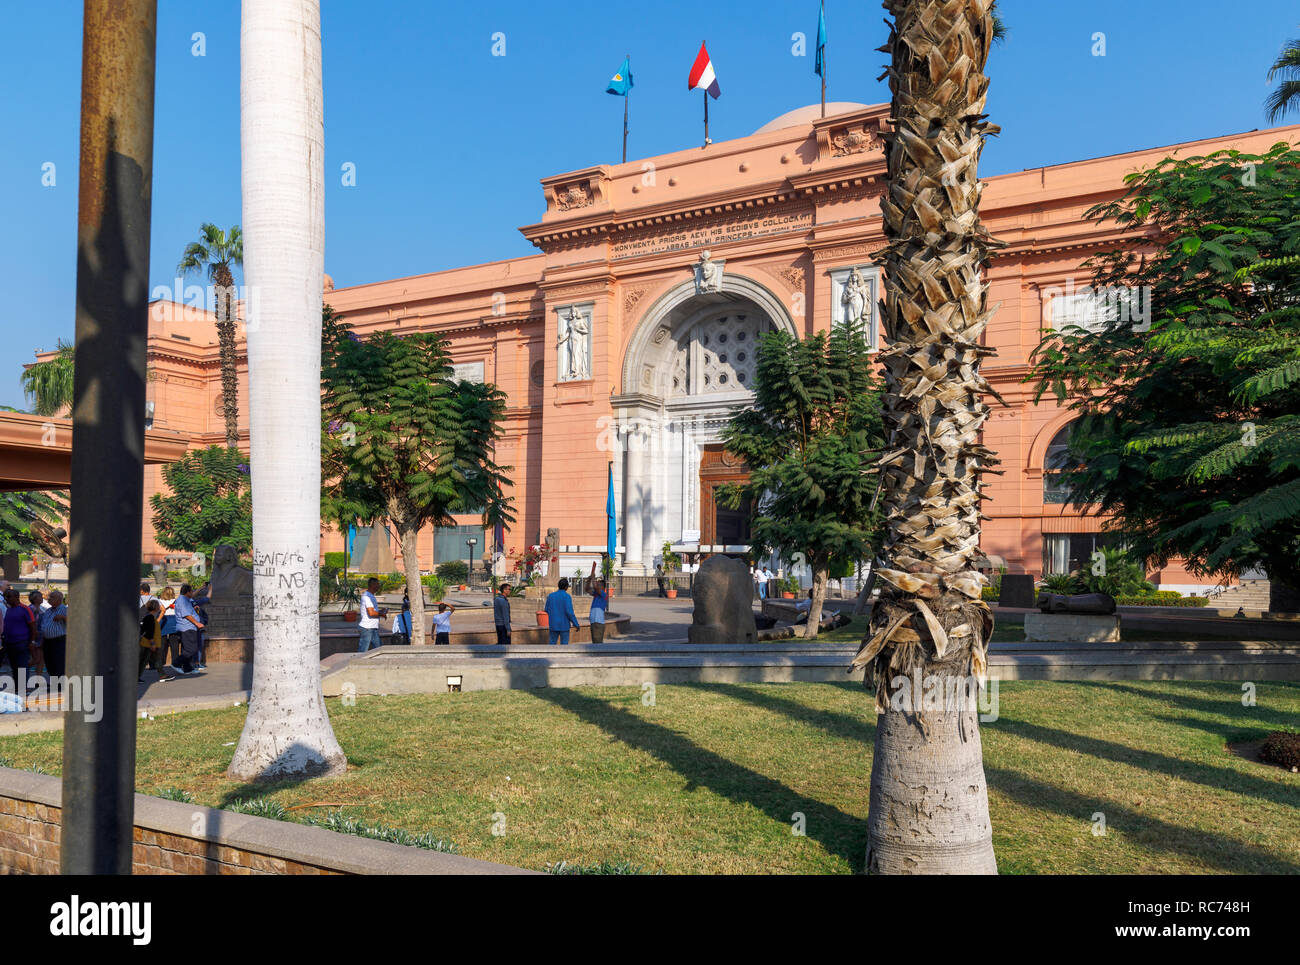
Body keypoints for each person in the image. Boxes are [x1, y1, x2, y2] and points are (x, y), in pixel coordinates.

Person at [2, 589, 37, 691]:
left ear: (16, 597)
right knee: (14, 666)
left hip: (21, 642)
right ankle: (17, 687)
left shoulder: (25, 609)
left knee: (22, 666)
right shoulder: (9, 609)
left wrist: (32, 641)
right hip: (9, 643)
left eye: (8, 596)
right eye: (5, 596)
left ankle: (22, 688)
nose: (6, 599)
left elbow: (33, 627)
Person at [171, 583, 204, 676]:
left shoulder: (185, 599)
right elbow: (186, 614)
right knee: (191, 649)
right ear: (188, 592)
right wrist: (197, 623)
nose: (192, 593)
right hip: (187, 628)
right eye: (191, 591)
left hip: (189, 627)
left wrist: (202, 587)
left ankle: (187, 668)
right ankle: (176, 663)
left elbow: (188, 610)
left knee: (187, 649)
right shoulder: (182, 600)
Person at [544, 578, 581, 646]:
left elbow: (546, 609)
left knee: (552, 645)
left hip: (553, 625)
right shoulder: (567, 597)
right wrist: (576, 624)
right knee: (564, 646)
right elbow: (569, 612)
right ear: (566, 587)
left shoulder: (551, 596)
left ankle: (550, 656)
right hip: (564, 625)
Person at [39, 590, 67, 678]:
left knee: (58, 663)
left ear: (59, 599)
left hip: (59, 641)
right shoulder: (48, 610)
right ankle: (54, 684)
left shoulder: (64, 609)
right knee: (49, 662)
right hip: (47, 641)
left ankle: (60, 686)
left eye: (51, 597)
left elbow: (74, 623)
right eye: (49, 597)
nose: (48, 599)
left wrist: (63, 617)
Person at [357, 577, 387, 653]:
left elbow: (373, 611)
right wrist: (381, 614)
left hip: (372, 627)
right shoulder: (367, 597)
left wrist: (380, 611)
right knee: (363, 651)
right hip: (367, 628)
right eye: (377, 584)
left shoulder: (370, 596)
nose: (379, 586)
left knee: (378, 649)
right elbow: (371, 613)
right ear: (372, 585)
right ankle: (357, 664)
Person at [138, 599, 162, 681]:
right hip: (148, 643)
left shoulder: (149, 616)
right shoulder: (150, 617)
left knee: (144, 661)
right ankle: (163, 675)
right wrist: (152, 643)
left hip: (147, 643)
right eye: (158, 606)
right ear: (155, 608)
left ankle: (163, 675)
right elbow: (149, 632)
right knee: (143, 661)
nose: (160, 607)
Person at [157, 587, 179, 668]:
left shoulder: (159, 601)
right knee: (174, 643)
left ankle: (161, 661)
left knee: (162, 643)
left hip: (163, 620)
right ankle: (175, 662)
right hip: (173, 621)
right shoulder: (175, 601)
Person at [26, 591, 46, 677]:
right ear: (35, 599)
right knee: (36, 659)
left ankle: (39, 680)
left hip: (40, 636)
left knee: (41, 659)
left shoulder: (40, 608)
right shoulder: (31, 608)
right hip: (34, 637)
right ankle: (21, 671)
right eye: (40, 596)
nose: (42, 598)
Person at [588, 578, 609, 644]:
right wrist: (589, 580)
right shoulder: (596, 594)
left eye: (599, 585)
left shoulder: (604, 594)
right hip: (594, 621)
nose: (597, 586)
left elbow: (595, 587)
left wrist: (593, 578)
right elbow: (587, 589)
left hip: (598, 622)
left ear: (603, 587)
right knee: (595, 642)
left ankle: (599, 654)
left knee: (597, 643)